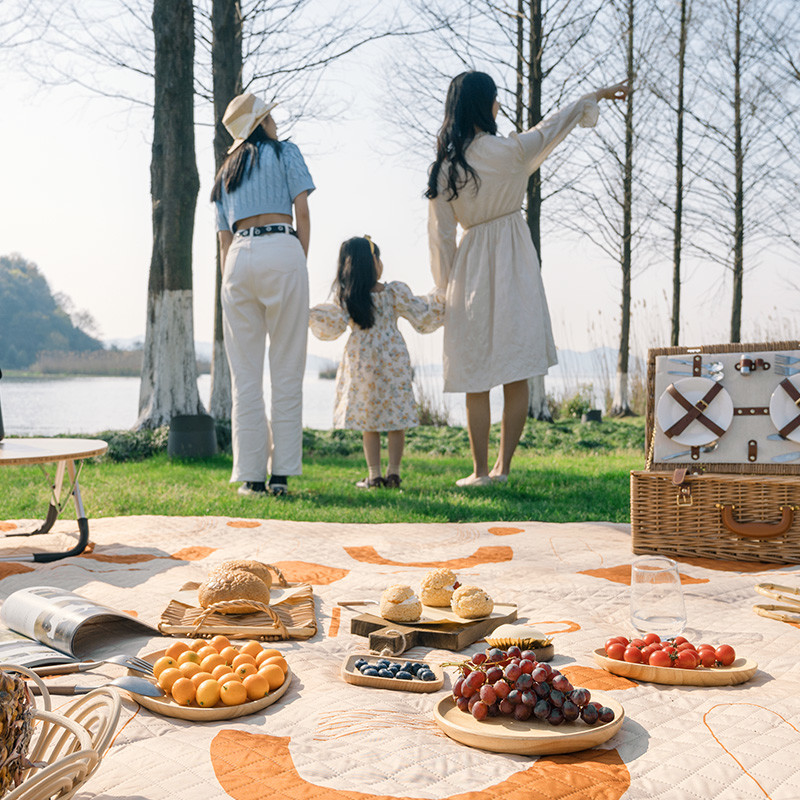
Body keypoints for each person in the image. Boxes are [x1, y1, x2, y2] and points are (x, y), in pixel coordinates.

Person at [427, 71, 628, 487]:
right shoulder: (511, 150)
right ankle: (503, 468)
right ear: (486, 104)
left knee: (475, 373)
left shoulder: (446, 168)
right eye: (495, 99)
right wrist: (594, 95)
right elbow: (552, 126)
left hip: (471, 267)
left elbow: (441, 237)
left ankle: (480, 471)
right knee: (516, 368)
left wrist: (445, 289)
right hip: (515, 258)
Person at [211, 92, 315, 497]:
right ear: (261, 123)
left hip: (237, 258)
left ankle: (251, 478)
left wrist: (229, 280)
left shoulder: (225, 171)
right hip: (281, 247)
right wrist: (297, 259)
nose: (275, 122)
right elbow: (302, 212)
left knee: (246, 376)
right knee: (286, 369)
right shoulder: (286, 152)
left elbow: (223, 240)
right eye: (269, 117)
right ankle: (281, 476)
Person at [309, 236, 443, 488]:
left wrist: (307, 315)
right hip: (393, 359)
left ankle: (374, 475)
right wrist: (441, 297)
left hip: (362, 362)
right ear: (372, 262)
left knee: (368, 420)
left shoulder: (348, 297)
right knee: (396, 419)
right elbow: (421, 312)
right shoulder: (394, 292)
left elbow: (332, 324)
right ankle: (394, 473)